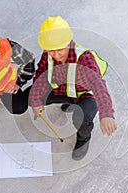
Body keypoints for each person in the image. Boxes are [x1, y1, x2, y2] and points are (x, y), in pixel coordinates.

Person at [29, 16, 117, 160]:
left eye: (60, 50)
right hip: (63, 90)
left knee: (81, 117)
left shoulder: (84, 58)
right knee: (30, 97)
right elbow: (41, 75)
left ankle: (83, 139)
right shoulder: (48, 54)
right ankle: (70, 103)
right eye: (51, 51)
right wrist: (36, 100)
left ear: (68, 42)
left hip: (85, 95)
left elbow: (98, 85)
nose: (56, 55)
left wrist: (106, 114)